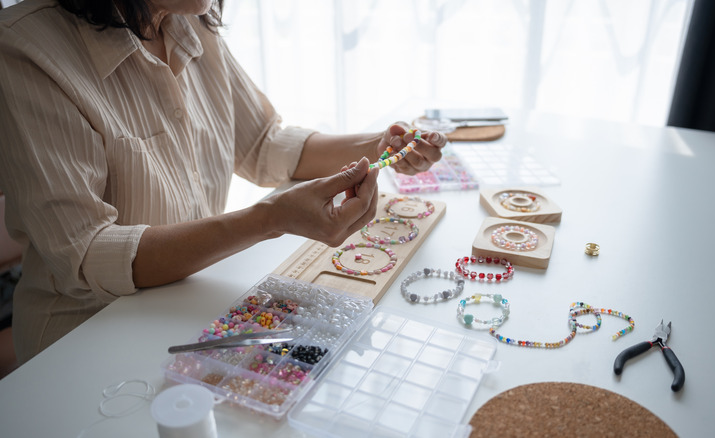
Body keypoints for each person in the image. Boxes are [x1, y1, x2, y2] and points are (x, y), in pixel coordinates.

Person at [0, 0, 446, 364]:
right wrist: (269, 220)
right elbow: (90, 253)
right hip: (82, 348)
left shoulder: (189, 17)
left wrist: (377, 145)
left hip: (190, 303)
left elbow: (262, 142)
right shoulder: (25, 49)